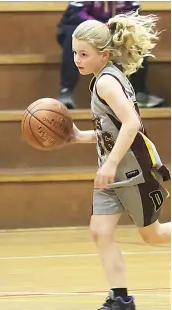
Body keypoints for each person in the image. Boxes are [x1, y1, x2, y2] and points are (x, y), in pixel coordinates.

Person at [67, 10, 171, 310]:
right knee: (100, 231)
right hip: (111, 174)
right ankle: (120, 299)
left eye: (84, 54)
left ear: (105, 54)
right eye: (75, 52)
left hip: (133, 173)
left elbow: (131, 125)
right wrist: (79, 136)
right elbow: (109, 130)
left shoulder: (107, 83)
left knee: (152, 235)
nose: (77, 59)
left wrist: (110, 164)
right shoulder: (103, 77)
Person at [56, 1, 164, 109]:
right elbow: (74, 14)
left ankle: (140, 91)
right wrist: (98, 27)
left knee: (136, 34)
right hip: (85, 27)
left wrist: (116, 25)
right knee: (73, 36)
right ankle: (66, 91)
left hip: (114, 28)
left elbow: (133, 13)